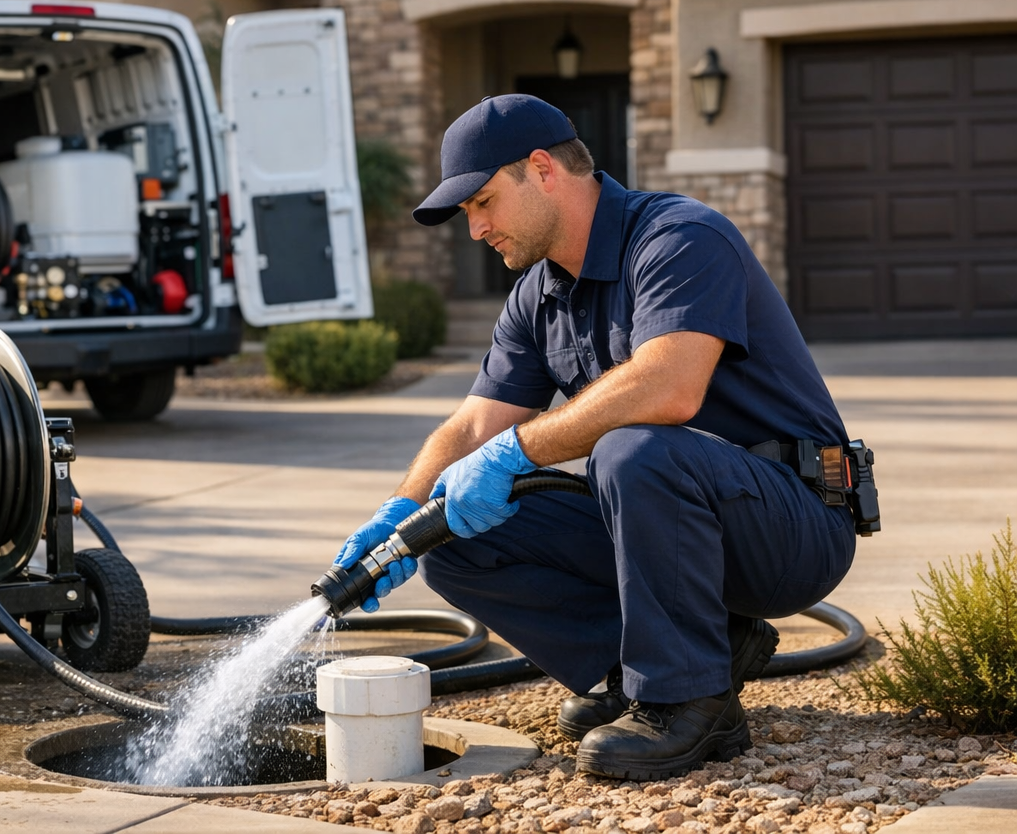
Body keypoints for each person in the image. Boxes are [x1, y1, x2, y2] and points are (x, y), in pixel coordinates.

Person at [334, 94, 857, 780]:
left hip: (793, 526)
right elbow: (473, 425)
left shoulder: (679, 237)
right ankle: (667, 665)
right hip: (671, 515)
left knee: (632, 446)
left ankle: (686, 703)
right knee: (454, 539)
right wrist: (403, 513)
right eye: (468, 213)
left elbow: (668, 387)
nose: (476, 229)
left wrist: (516, 452)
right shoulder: (539, 293)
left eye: (484, 202)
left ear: (543, 169)